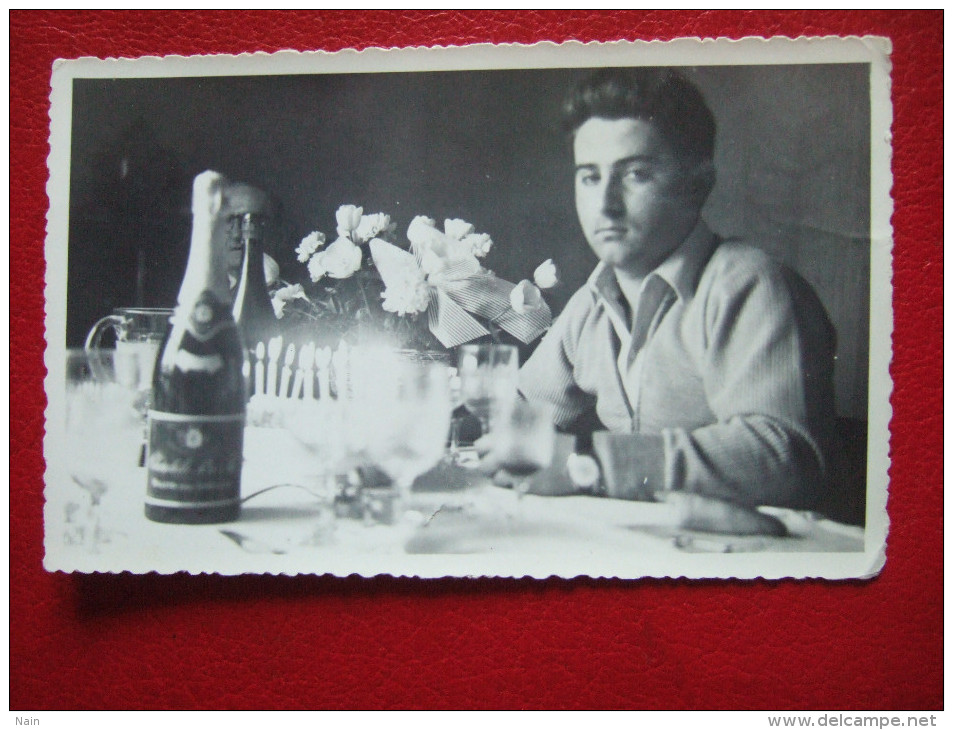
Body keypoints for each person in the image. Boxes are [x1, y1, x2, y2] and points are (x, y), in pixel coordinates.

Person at [513, 68, 837, 512]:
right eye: (590, 176)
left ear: (698, 183)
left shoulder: (750, 286)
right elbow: (521, 420)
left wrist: (591, 463)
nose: (605, 204)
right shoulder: (591, 302)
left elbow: (784, 459)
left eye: (636, 175)